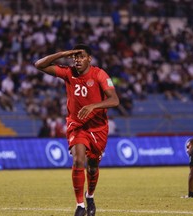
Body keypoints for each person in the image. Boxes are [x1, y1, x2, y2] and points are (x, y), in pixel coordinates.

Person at [34, 44, 119, 216]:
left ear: (89, 58)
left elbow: (114, 100)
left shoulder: (99, 74)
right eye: (75, 57)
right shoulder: (68, 73)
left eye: (81, 56)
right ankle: (80, 206)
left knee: (93, 167)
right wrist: (63, 53)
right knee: (78, 160)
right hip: (77, 125)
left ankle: (90, 197)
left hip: (98, 127)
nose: (77, 60)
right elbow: (39, 65)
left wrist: (93, 106)